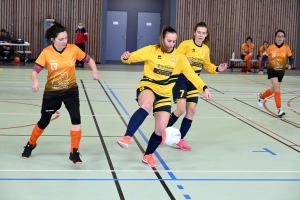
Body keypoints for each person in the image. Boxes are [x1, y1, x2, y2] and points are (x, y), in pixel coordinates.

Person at [117, 26, 212, 167]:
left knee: (161, 129)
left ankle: (147, 155)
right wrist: (125, 58)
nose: (171, 44)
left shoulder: (179, 58)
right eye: (169, 41)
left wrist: (203, 87)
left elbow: (191, 75)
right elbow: (131, 57)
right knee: (147, 105)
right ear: (162, 38)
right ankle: (127, 137)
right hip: (148, 86)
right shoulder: (151, 50)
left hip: (165, 94)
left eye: (174, 41)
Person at [21, 23, 100, 164]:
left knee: (76, 118)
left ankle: (74, 152)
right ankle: (31, 144)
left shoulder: (73, 49)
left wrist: (94, 70)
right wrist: (35, 80)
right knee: (44, 121)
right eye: (61, 39)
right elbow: (34, 71)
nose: (65, 42)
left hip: (70, 90)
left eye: (66, 38)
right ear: (53, 39)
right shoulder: (46, 52)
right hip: (52, 92)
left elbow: (89, 60)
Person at [166, 22, 227, 151]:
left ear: (206, 35)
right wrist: (183, 60)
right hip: (181, 79)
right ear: (194, 32)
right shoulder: (186, 44)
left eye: (203, 33)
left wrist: (217, 68)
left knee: (191, 110)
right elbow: (173, 57)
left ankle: (179, 139)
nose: (201, 35)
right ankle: (161, 132)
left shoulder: (205, 49)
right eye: (198, 32)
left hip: (194, 81)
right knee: (181, 109)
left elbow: (207, 65)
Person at [257, 30, 293, 117]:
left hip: (281, 71)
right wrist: (261, 69)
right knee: (277, 88)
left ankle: (261, 97)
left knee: (273, 89)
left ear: (284, 38)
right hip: (272, 70)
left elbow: (291, 58)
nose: (280, 38)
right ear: (275, 37)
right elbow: (264, 58)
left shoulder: (286, 47)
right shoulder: (271, 47)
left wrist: (290, 64)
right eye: (278, 36)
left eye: (282, 36)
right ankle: (279, 109)